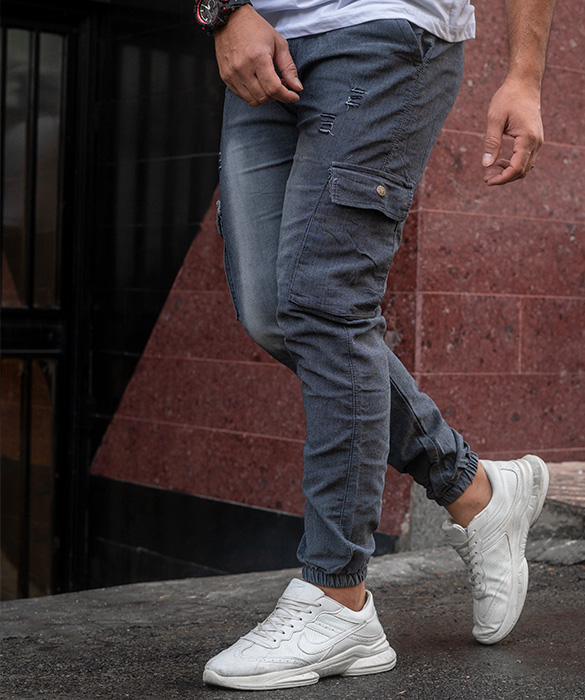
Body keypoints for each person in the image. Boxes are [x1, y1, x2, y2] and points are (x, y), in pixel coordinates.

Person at [195, 0, 556, 690]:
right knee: (275, 314)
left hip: (384, 31)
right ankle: (475, 490)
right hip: (262, 41)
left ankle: (338, 597)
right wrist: (223, 11)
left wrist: (525, 75)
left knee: (326, 299)